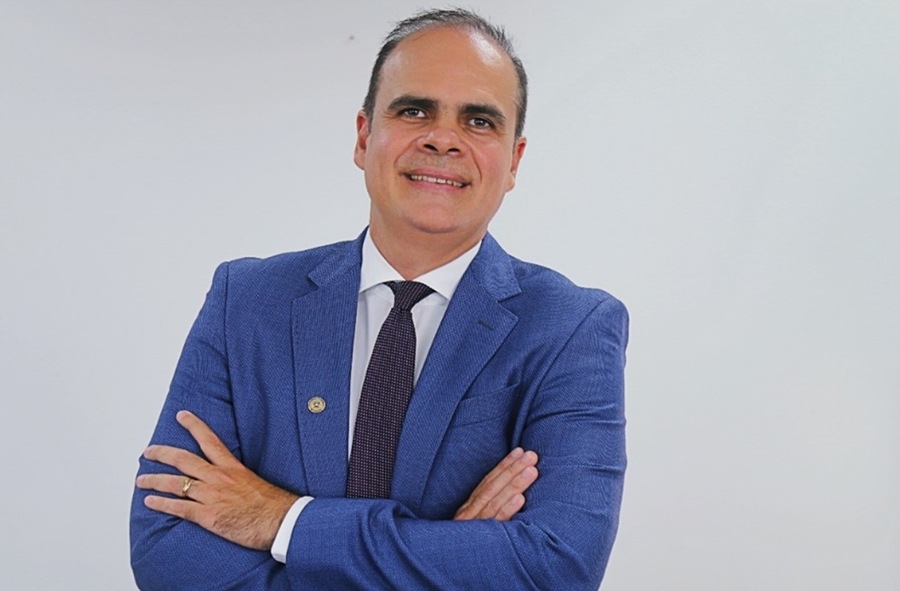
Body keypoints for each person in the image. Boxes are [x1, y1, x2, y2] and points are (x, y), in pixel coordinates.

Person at [131, 8, 628, 590]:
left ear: (513, 160)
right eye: (414, 110)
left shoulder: (572, 328)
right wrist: (449, 557)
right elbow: (166, 548)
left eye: (478, 121)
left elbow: (556, 567)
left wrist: (285, 521)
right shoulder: (244, 302)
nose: (443, 138)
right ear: (364, 136)